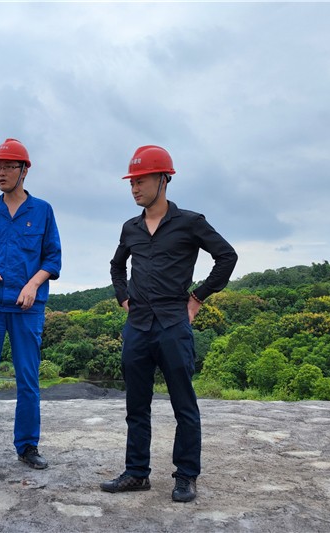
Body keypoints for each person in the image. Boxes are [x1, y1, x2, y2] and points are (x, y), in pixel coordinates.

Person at [102, 145, 237, 502]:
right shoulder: (130, 228)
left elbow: (227, 256)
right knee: (136, 406)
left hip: (173, 323)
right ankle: (136, 473)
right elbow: (117, 266)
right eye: (132, 182)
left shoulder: (190, 222)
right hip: (138, 324)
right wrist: (123, 296)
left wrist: (198, 297)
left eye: (141, 181)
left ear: (163, 180)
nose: (134, 188)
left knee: (183, 404)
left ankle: (186, 475)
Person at [0, 138, 62, 476]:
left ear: (24, 171)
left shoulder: (43, 211)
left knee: (28, 379)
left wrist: (33, 284)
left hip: (27, 307)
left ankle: (27, 446)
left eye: (8, 167)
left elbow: (52, 258)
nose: (1, 173)